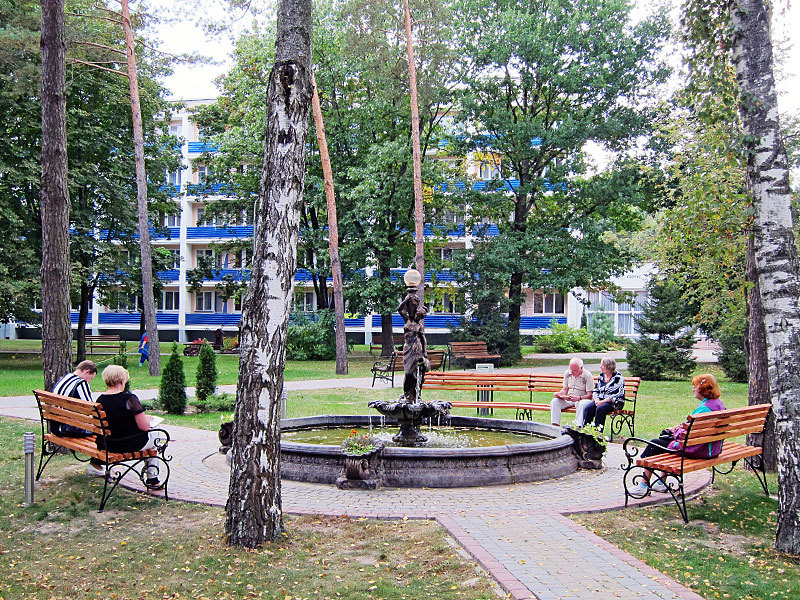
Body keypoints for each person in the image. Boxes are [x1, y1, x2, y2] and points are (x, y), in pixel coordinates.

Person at [629, 374, 727, 497]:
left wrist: (674, 430)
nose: (693, 389)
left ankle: (643, 485)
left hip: (698, 450)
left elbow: (686, 434)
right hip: (713, 448)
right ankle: (661, 482)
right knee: (663, 440)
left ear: (703, 389)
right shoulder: (719, 404)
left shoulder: (704, 410)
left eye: (695, 387)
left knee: (654, 444)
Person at [95, 365, 161, 486]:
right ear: (122, 381)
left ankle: (152, 476)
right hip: (129, 444)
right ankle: (152, 477)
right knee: (155, 435)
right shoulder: (129, 399)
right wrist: (148, 419)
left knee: (152, 438)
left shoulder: (100, 400)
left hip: (109, 444)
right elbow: (144, 427)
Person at [51, 360, 104, 474]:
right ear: (87, 371)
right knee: (104, 431)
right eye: (91, 378)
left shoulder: (64, 379)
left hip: (56, 427)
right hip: (69, 428)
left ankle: (96, 464)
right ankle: (95, 464)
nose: (89, 381)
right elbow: (92, 409)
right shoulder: (80, 383)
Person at [575, 357, 625, 432]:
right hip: (600, 400)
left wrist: (603, 401)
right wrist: (596, 399)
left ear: (609, 366)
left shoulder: (618, 378)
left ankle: (598, 433)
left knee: (600, 409)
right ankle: (586, 431)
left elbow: (618, 394)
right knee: (588, 408)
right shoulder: (601, 376)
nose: (600, 367)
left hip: (614, 403)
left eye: (602, 365)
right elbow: (596, 390)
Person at [550, 358, 594, 427]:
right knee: (555, 401)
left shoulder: (587, 375)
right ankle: (555, 427)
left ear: (581, 368)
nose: (572, 372)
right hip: (569, 399)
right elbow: (565, 390)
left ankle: (578, 427)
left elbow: (590, 395)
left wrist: (578, 398)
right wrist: (559, 394)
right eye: (571, 370)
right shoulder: (568, 373)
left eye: (574, 371)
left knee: (581, 404)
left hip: (582, 399)